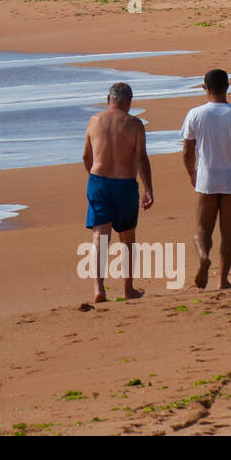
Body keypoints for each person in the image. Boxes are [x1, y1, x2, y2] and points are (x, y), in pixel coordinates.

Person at [181, 69, 231, 290]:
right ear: (228, 87)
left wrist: (192, 173)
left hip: (207, 179)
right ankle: (223, 280)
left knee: (201, 230)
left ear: (205, 88)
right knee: (228, 232)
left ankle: (204, 256)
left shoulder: (195, 114)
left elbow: (187, 151)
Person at [81, 82, 154, 303]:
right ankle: (127, 288)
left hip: (99, 182)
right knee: (127, 239)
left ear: (108, 99)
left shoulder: (94, 120)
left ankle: (99, 289)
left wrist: (94, 178)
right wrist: (148, 189)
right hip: (125, 183)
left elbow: (86, 156)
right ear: (129, 103)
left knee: (99, 237)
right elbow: (141, 158)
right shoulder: (134, 123)